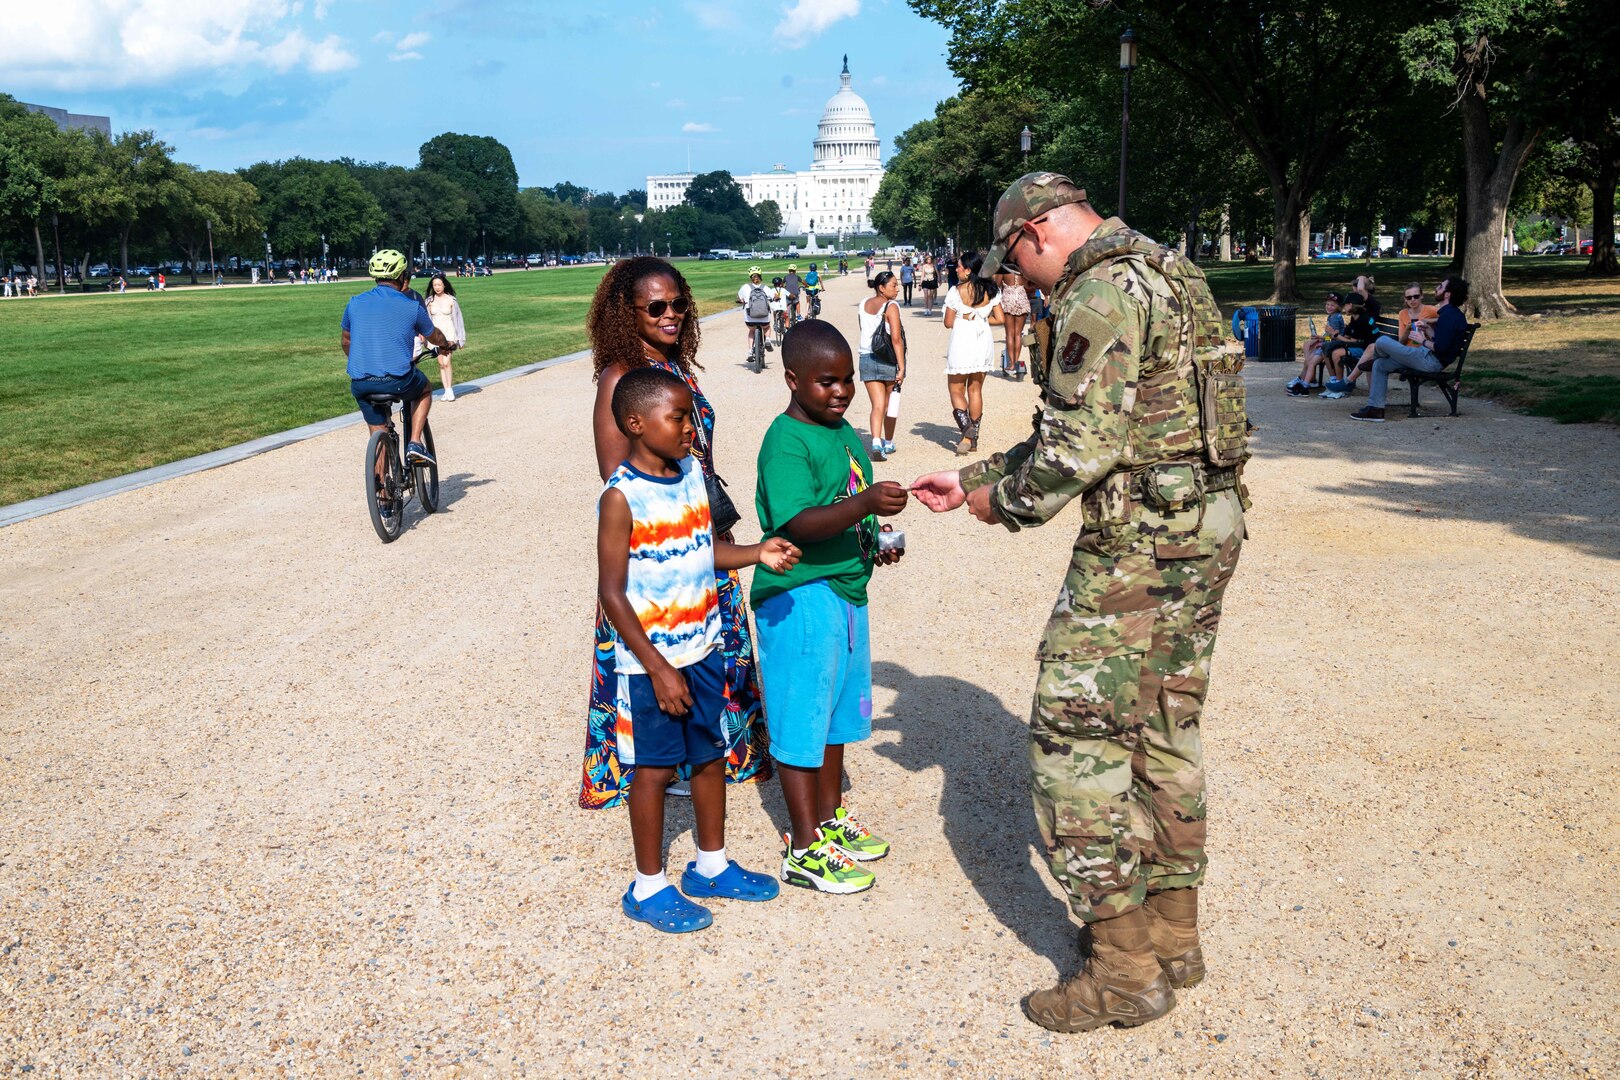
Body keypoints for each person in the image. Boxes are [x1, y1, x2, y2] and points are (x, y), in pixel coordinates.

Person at [911, 173, 1249, 1034]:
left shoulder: (1098, 289)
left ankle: (1124, 969)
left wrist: (1005, 501)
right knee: (1165, 726)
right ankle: (1175, 936)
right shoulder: (1175, 272)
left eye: (1017, 260)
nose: (1021, 279)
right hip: (1204, 527)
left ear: (1038, 230)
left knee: (1074, 745)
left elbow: (1080, 446)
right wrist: (976, 474)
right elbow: (1117, 419)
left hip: (1137, 545)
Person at [599, 366, 798, 933]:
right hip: (650, 665)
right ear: (636, 423)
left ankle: (710, 865)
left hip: (703, 647)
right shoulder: (621, 497)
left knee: (710, 756)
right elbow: (612, 593)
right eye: (678, 417)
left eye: (690, 416)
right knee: (655, 771)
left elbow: (701, 551)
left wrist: (758, 553)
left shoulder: (689, 474)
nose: (690, 428)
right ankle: (647, 886)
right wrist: (658, 668)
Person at [583, 257, 774, 809]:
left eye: (678, 304)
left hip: (700, 530)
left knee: (712, 646)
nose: (671, 315)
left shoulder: (677, 365)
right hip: (661, 550)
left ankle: (709, 755)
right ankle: (661, 765)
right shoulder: (623, 377)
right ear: (627, 312)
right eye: (656, 307)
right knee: (663, 653)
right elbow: (615, 472)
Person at [753, 320, 909, 893]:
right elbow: (796, 521)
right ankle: (803, 846)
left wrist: (872, 533)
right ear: (793, 380)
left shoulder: (842, 432)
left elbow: (844, 507)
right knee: (801, 722)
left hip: (844, 590)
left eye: (846, 380)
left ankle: (827, 819)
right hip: (799, 597)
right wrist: (866, 499)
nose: (841, 391)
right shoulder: (787, 441)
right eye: (826, 382)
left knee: (836, 718)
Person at [341, 250, 457, 522]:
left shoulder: (354, 303)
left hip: (361, 381)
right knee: (424, 388)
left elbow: (346, 341)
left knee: (377, 432)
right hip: (399, 378)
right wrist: (445, 344)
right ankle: (415, 442)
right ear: (403, 277)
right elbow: (433, 334)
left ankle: (383, 500)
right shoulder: (410, 305)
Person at [1350, 277, 1470, 422]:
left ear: (1447, 294)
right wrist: (1428, 330)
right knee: (1380, 365)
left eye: (1440, 286)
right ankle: (1376, 409)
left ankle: (1375, 357)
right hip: (1426, 356)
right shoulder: (1449, 314)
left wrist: (1422, 340)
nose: (1436, 289)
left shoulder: (1449, 316)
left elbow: (1440, 349)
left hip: (1430, 362)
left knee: (1381, 341)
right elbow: (1439, 341)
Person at [943, 256, 1004, 454]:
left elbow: (948, 322)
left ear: (969, 270)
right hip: (982, 340)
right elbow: (1000, 318)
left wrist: (966, 317)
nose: (956, 270)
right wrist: (980, 317)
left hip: (962, 340)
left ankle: (967, 429)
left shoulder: (956, 291)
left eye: (959, 266)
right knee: (975, 390)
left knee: (956, 389)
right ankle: (973, 436)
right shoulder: (992, 290)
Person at [857, 270, 906, 461]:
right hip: (887, 359)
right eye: (893, 285)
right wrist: (901, 367)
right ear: (881, 288)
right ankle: (888, 441)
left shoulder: (863, 304)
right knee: (891, 403)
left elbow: (864, 330)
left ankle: (876, 441)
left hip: (866, 357)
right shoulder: (891, 305)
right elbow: (895, 339)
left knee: (877, 405)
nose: (897, 289)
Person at [1288, 292, 1346, 397]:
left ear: (1339, 306)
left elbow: (1335, 336)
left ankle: (1304, 386)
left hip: (1330, 346)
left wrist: (1322, 339)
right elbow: (1332, 335)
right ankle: (1304, 383)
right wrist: (1321, 338)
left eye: (1332, 305)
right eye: (1327, 304)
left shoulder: (1335, 318)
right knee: (1309, 357)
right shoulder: (1332, 316)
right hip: (1327, 344)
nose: (1329, 307)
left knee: (1311, 363)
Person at [422, 273, 467, 401]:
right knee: (441, 363)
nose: (437, 287)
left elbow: (458, 320)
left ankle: (449, 389)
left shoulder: (451, 300)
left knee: (447, 362)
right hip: (435, 335)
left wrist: (460, 339)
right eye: (435, 285)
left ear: (444, 285)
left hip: (449, 334)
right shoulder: (429, 301)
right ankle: (446, 389)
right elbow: (426, 321)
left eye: (439, 285)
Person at [997, 265, 1031, 377]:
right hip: (1021, 296)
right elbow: (1028, 284)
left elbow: (997, 284)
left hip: (1008, 297)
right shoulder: (1023, 267)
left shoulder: (1003, 268)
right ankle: (1017, 361)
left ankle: (1011, 364)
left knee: (1009, 335)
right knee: (1018, 334)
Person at [735, 266, 775, 360]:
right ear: (760, 276)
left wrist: (741, 301)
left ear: (750, 277)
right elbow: (775, 296)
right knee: (767, 327)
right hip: (764, 317)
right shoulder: (765, 287)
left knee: (751, 331)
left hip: (750, 317)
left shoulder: (745, 287)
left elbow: (739, 297)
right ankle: (768, 340)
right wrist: (775, 298)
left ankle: (750, 351)